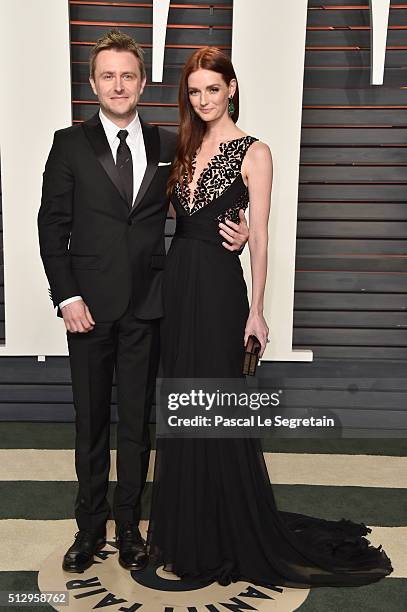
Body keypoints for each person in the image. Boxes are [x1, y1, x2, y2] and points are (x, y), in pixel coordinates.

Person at [147, 46, 393, 588]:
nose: (204, 99)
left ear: (231, 88)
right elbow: (171, 217)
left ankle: (226, 531)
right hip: (178, 284)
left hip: (218, 290)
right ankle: (187, 530)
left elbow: (257, 235)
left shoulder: (253, 152)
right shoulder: (182, 147)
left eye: (213, 88)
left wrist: (256, 311)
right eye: (195, 91)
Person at [37, 30, 249, 574]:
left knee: (137, 425)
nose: (118, 84)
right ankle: (89, 529)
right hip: (85, 309)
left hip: (148, 307)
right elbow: (51, 225)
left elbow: (200, 201)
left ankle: (129, 528)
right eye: (107, 75)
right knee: (91, 423)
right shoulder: (68, 144)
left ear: (142, 82)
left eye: (127, 75)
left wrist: (239, 228)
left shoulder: (166, 143)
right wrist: (67, 296)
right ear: (92, 84)